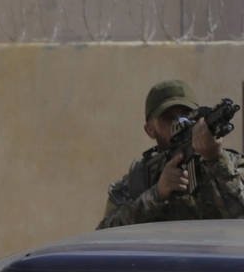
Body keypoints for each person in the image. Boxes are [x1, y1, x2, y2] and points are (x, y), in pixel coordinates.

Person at [98, 79, 244, 229]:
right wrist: (157, 193)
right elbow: (105, 233)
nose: (179, 122)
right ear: (150, 129)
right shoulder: (138, 179)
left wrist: (215, 160)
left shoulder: (232, 164)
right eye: (168, 117)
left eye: (186, 114)